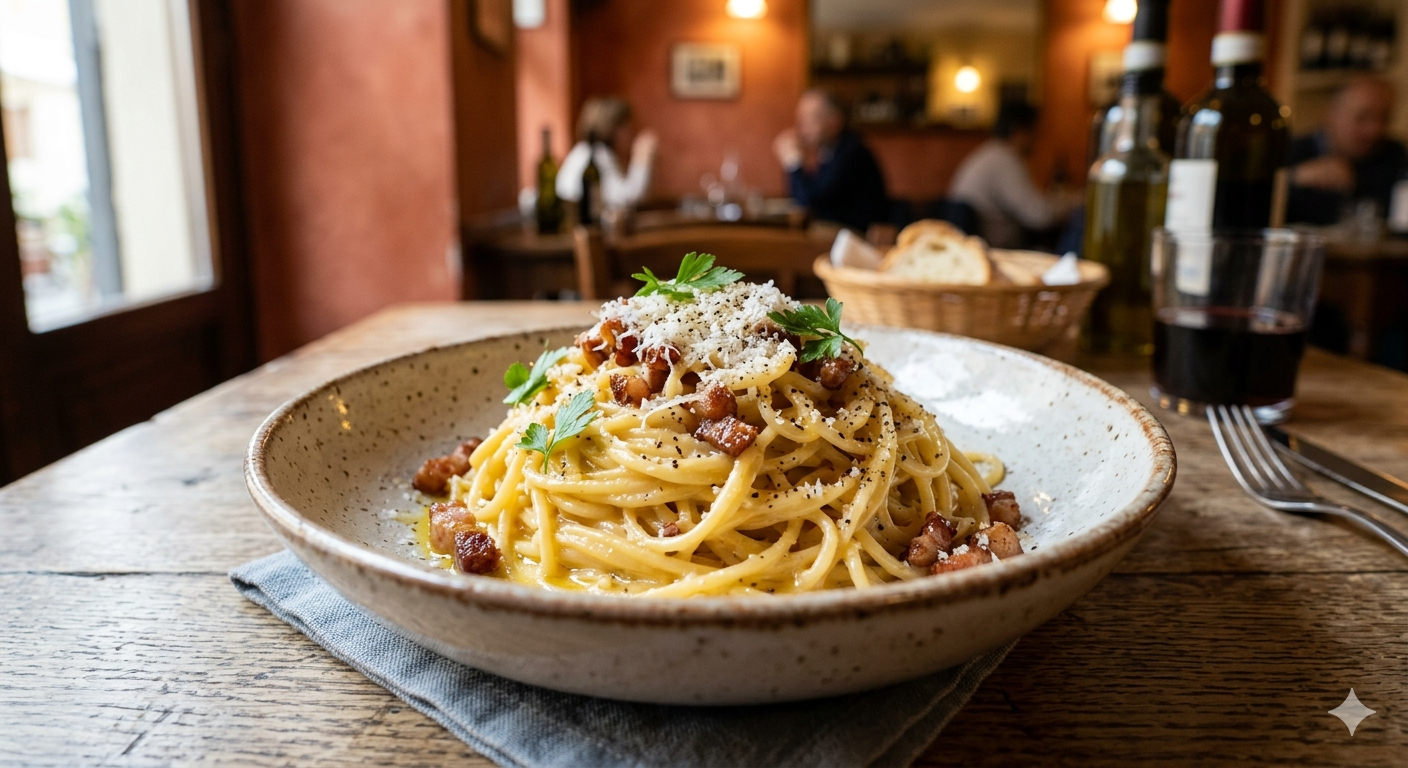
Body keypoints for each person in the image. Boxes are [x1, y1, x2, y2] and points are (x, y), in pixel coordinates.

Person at [949, 103, 1076, 249]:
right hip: (995, 250)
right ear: (1019, 131)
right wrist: (1076, 201)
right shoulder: (1004, 159)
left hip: (978, 246)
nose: (1037, 140)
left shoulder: (989, 152)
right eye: (1035, 132)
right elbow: (1040, 216)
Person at [1287, 76, 1407, 226]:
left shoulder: (1394, 154)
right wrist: (1295, 178)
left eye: (1384, 118)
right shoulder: (1292, 153)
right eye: (1363, 117)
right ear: (1332, 114)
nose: (1374, 130)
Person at [773, 89, 888, 232]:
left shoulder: (851, 152)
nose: (802, 128)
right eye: (800, 119)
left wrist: (793, 162)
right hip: (836, 236)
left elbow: (809, 201)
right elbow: (804, 198)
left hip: (855, 241)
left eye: (810, 118)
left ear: (835, 121)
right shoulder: (832, 150)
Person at [557, 97, 658, 210]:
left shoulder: (587, 151)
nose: (631, 133)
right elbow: (627, 199)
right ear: (612, 128)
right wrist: (642, 159)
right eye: (626, 128)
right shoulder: (597, 154)